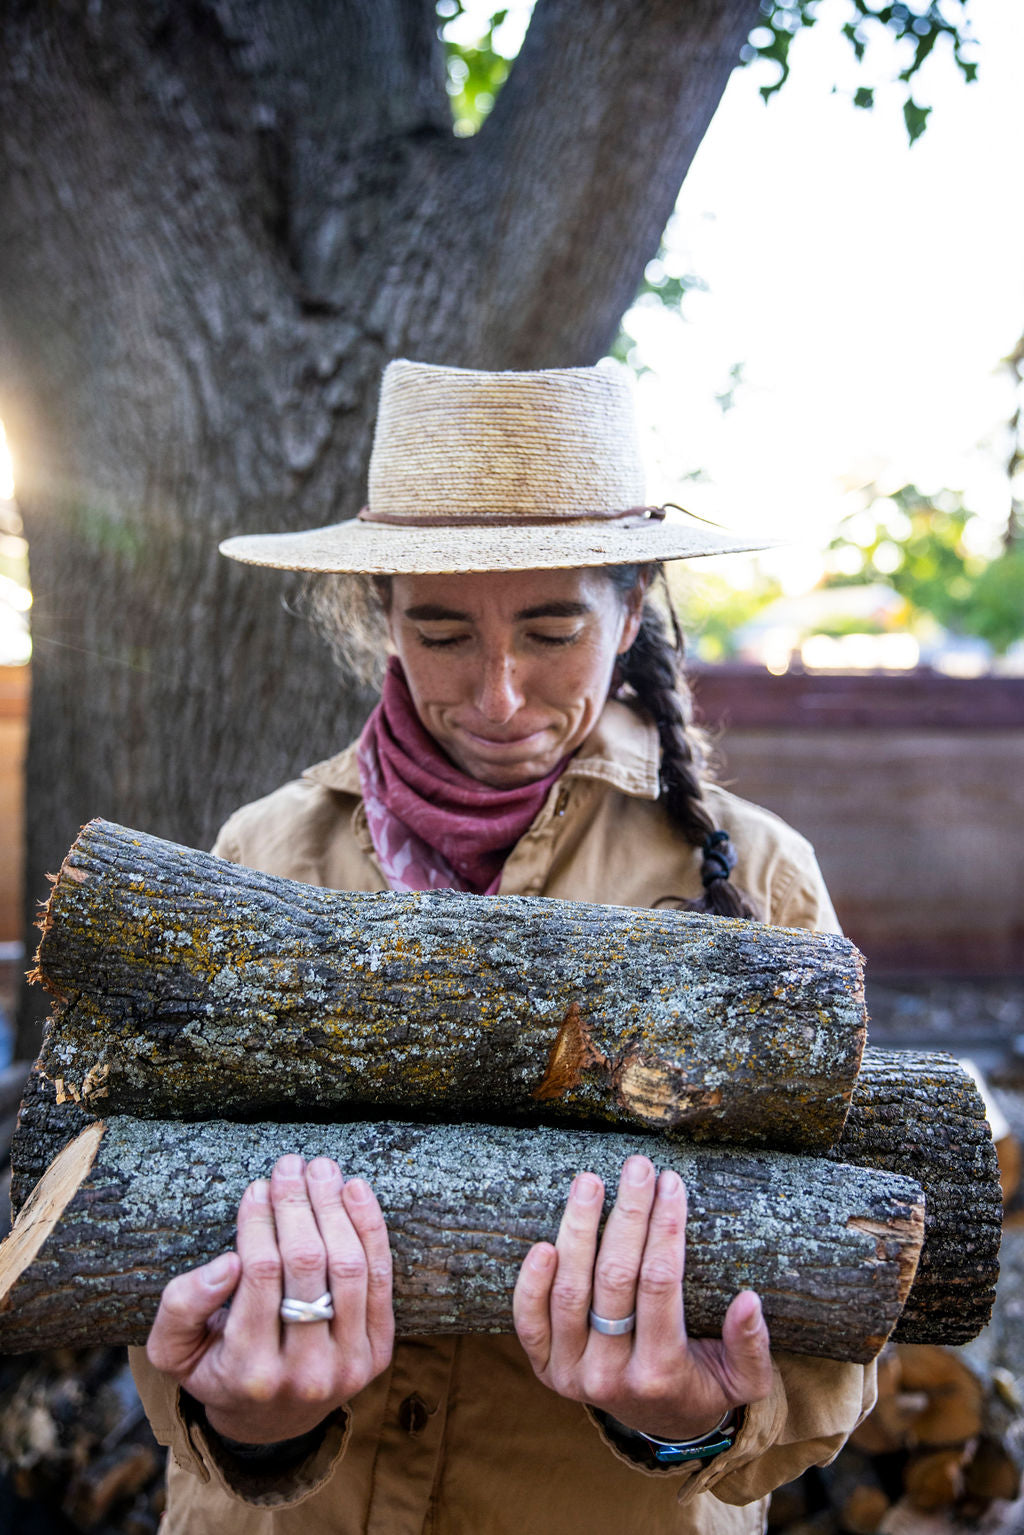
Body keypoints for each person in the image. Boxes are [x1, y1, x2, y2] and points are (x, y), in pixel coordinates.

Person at [130, 360, 876, 1533]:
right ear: (382, 613)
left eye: (551, 628)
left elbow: (832, 1304)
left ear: (631, 611)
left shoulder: (753, 876)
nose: (498, 690)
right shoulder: (258, 854)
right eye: (440, 631)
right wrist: (244, 1418)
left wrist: (684, 1412)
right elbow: (162, 1225)